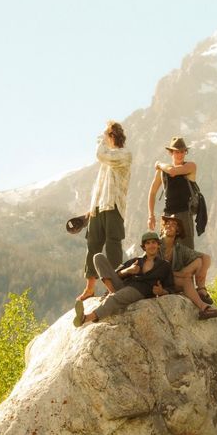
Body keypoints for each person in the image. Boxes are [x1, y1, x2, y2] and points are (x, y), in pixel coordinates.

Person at [77, 121, 132, 301]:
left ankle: (116, 283)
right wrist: (90, 210)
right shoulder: (106, 161)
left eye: (105, 135)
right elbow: (99, 188)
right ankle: (90, 288)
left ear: (112, 135)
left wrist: (100, 138)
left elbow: (100, 154)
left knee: (113, 245)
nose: (103, 138)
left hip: (113, 205)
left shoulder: (124, 155)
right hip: (99, 206)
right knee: (92, 246)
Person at [74, 231, 174, 326]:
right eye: (148, 243)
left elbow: (171, 287)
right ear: (144, 247)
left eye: (154, 242)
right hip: (123, 285)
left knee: (113, 299)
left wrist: (162, 291)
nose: (151, 245)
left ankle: (85, 318)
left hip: (139, 290)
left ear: (158, 245)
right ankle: (112, 292)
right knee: (98, 257)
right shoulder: (136, 261)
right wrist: (128, 270)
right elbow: (116, 273)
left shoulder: (164, 265)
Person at [159, 215, 217, 320]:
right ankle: (204, 306)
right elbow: (154, 268)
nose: (169, 225)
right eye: (167, 223)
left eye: (173, 224)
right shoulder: (155, 244)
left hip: (172, 281)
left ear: (177, 231)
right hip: (158, 282)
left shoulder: (179, 249)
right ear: (162, 228)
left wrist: (201, 280)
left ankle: (201, 292)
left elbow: (206, 258)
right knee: (186, 280)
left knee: (199, 261)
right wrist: (180, 274)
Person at [147, 136, 197, 249]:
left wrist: (159, 164)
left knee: (187, 249)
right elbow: (152, 192)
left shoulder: (190, 166)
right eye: (176, 152)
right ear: (171, 153)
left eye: (182, 151)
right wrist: (151, 215)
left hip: (184, 213)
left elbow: (173, 171)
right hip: (168, 215)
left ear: (185, 152)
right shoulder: (162, 172)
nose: (180, 154)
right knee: (164, 249)